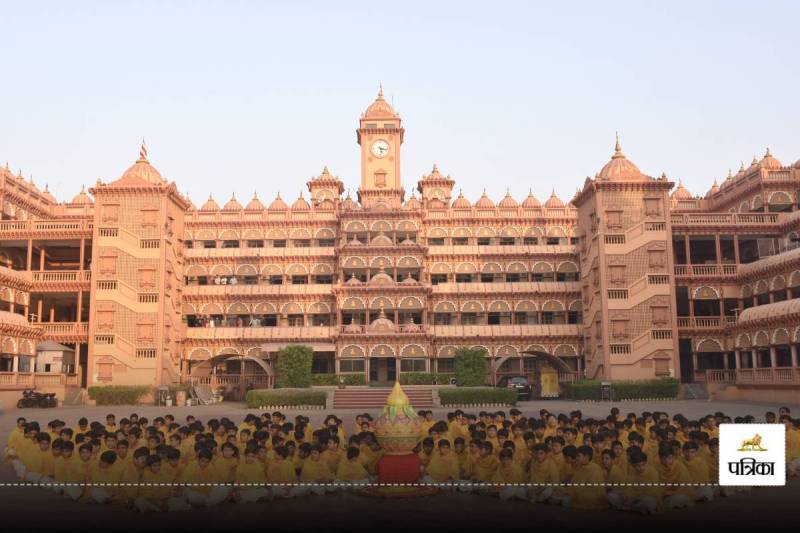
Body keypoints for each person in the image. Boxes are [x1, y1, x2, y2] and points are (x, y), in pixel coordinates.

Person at [563, 445, 606, 510]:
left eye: (578, 456)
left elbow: (594, 491)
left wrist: (575, 494)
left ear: (587, 457)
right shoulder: (580, 467)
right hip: (579, 494)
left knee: (567, 501)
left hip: (592, 498)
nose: (576, 458)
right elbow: (574, 484)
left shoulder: (595, 469)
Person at [658, 442, 694, 510]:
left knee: (679, 498)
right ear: (659, 458)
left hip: (678, 493)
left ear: (674, 457)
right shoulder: (657, 468)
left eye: (669, 458)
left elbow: (683, 487)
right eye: (663, 458)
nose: (666, 461)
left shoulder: (679, 466)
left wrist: (669, 493)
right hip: (663, 495)